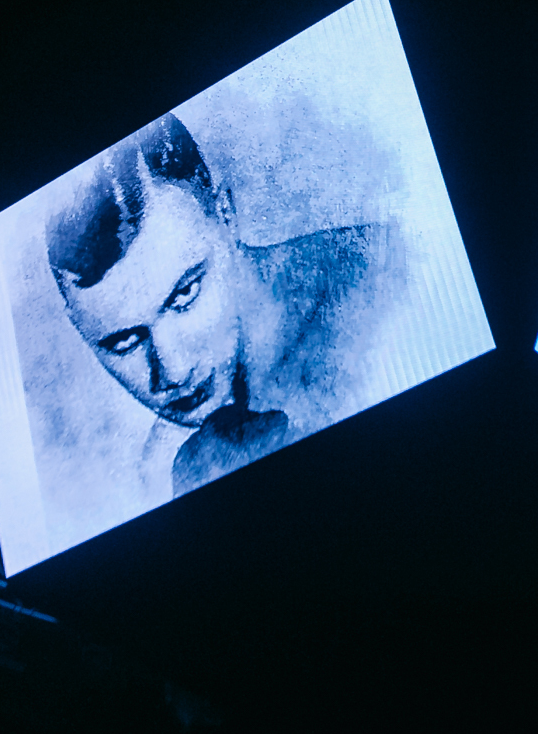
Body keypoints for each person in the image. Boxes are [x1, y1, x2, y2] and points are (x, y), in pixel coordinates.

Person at [46, 113, 396, 496]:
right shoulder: (164, 465)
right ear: (80, 329)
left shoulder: (390, 290)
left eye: (185, 295)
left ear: (226, 215)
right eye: (124, 343)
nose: (174, 372)